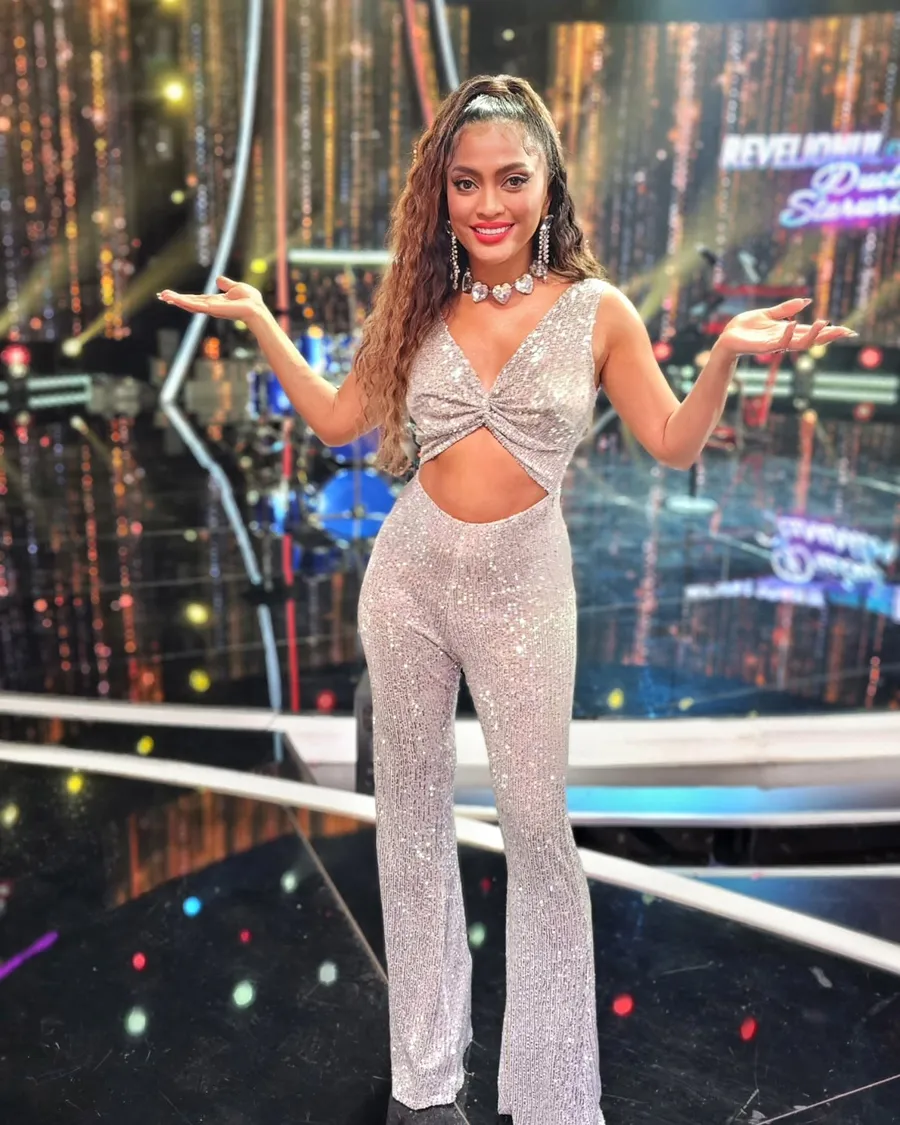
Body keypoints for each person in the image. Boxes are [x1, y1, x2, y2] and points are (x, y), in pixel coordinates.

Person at [159, 73, 855, 1125]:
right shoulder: (416, 303)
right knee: (411, 827)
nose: (490, 203)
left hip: (525, 591)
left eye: (512, 179)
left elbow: (674, 443)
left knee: (537, 833)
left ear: (548, 184)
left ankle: (553, 1096)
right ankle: (424, 1073)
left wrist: (718, 356)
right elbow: (342, 421)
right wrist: (259, 319)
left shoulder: (598, 312)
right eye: (467, 182)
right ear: (440, 194)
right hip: (409, 579)